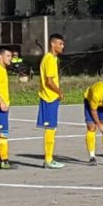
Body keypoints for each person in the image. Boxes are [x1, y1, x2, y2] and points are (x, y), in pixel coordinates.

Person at [36, 34, 66, 169]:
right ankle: (48, 159)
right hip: (48, 97)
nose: (62, 46)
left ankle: (49, 158)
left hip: (52, 98)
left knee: (52, 128)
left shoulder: (54, 59)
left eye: (62, 44)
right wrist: (59, 91)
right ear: (52, 44)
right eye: (60, 44)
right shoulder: (49, 59)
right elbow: (49, 81)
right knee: (50, 129)